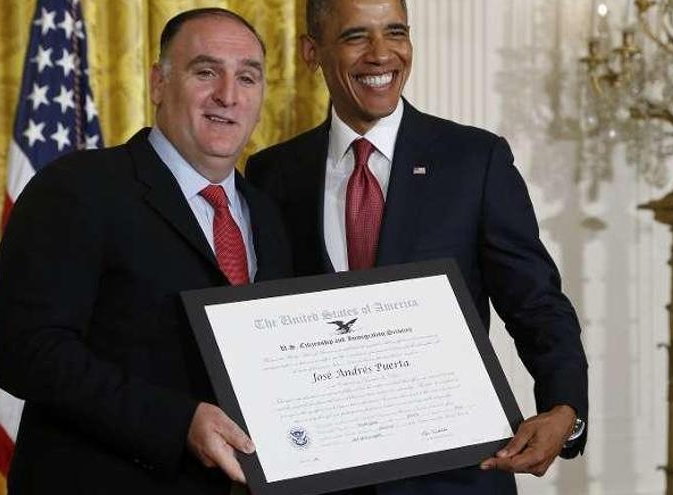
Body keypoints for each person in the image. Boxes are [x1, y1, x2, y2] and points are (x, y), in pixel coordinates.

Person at [245, 0, 588, 493]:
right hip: (323, 477)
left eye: (396, 32)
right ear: (311, 51)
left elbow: (536, 303)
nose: (382, 54)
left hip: (455, 477)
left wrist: (564, 409)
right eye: (356, 37)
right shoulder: (274, 173)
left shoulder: (475, 160)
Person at [0, 8, 291, 494]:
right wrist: (177, 423)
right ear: (157, 83)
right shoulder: (76, 189)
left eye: (248, 78)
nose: (228, 96)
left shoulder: (269, 215)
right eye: (206, 71)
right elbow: (26, 351)